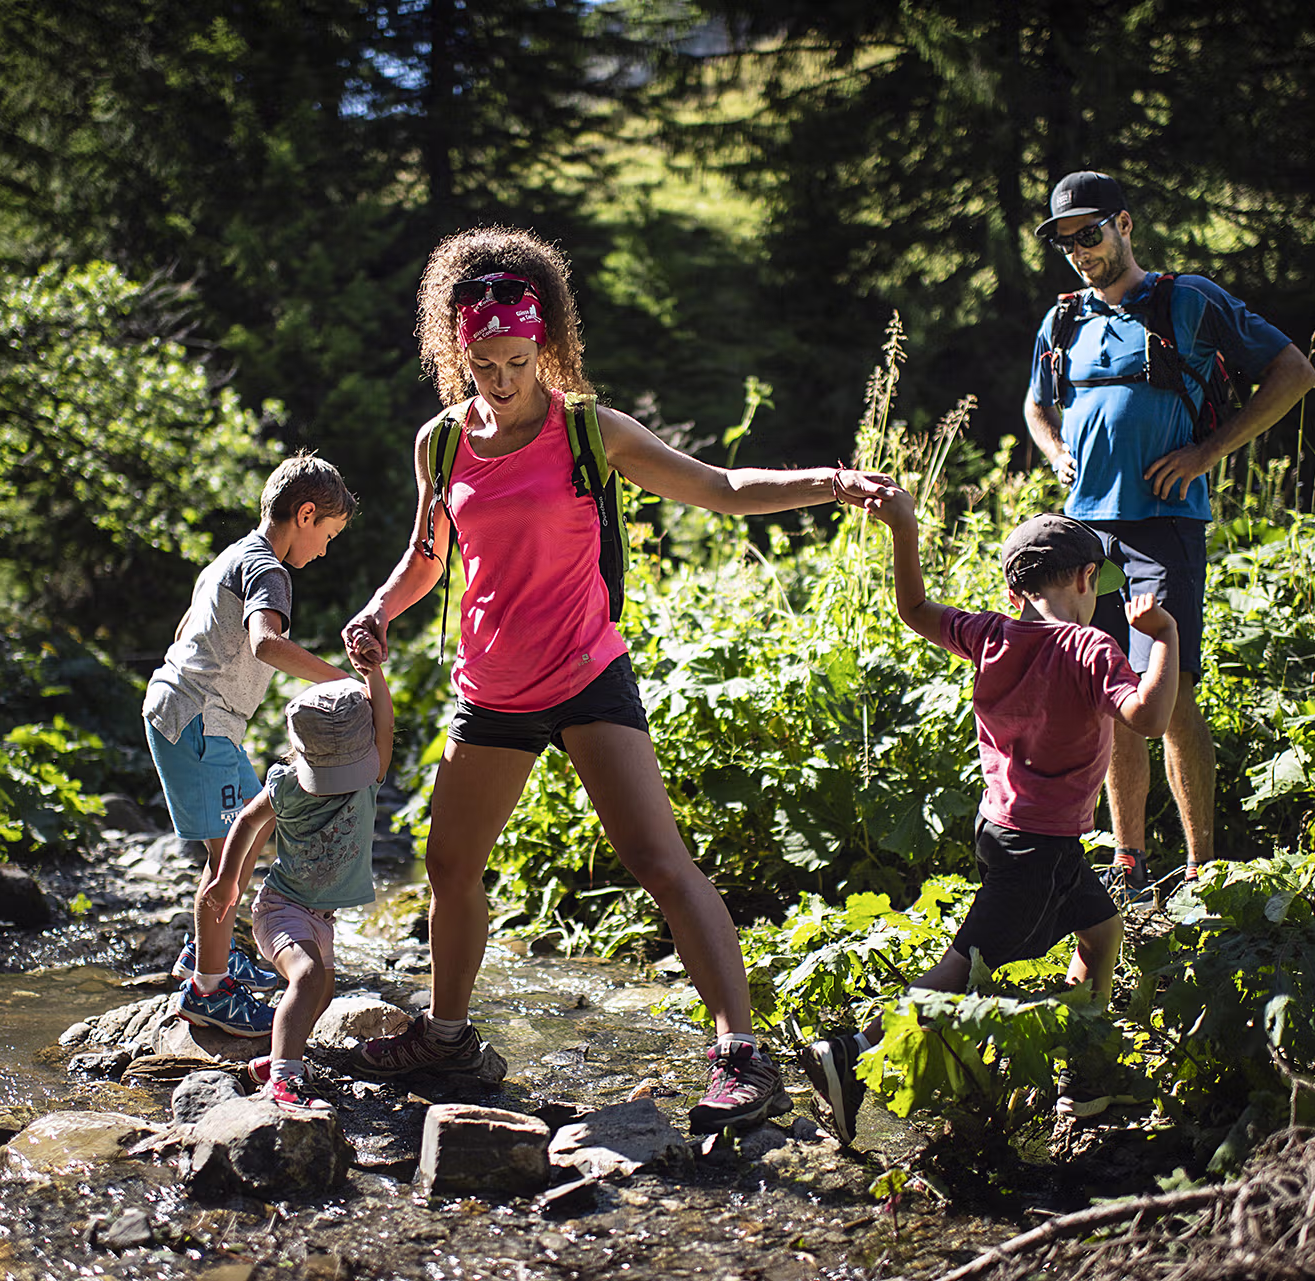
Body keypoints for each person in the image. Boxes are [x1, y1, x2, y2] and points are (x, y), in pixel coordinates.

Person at [339, 225, 897, 1133]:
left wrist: (830, 483)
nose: (502, 379)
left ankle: (740, 1056)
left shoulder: (590, 429)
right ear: (457, 351)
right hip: (492, 686)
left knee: (657, 860)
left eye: (518, 359)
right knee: (448, 864)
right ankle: (447, 1037)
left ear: (543, 345)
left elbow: (722, 487)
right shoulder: (440, 445)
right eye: (484, 363)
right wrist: (379, 607)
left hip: (586, 671)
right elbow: (426, 553)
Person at [801, 498, 1181, 1143]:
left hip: (1004, 830)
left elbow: (915, 610)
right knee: (966, 966)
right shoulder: (1092, 646)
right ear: (1089, 579)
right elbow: (1147, 719)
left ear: (1014, 589)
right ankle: (852, 1053)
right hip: (1039, 845)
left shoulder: (992, 634)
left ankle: (1080, 1073)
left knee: (1101, 930)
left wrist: (905, 531)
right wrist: (1166, 639)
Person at [1023, 170, 1315, 896]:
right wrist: (1056, 450)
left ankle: (1204, 866)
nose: (1080, 251)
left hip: (1165, 527)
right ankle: (1129, 863)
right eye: (1067, 243)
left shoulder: (1189, 300)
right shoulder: (1063, 320)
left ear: (1123, 224)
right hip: (1087, 532)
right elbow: (1036, 406)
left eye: (1089, 234)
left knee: (1173, 692)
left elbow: (1295, 371)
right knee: (1110, 690)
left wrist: (1208, 454)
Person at [143, 452, 360, 1038]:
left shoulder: (232, 555)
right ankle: (207, 991)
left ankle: (202, 954)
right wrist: (344, 681)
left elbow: (186, 630)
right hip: (201, 724)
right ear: (306, 513)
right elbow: (266, 644)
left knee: (244, 837)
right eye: (328, 535)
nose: (324, 550)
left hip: (190, 714)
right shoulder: (271, 572)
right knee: (228, 864)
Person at [211, 667, 395, 1110]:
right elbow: (246, 821)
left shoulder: (370, 774)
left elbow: (385, 722)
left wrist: (373, 674)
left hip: (321, 917)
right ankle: (283, 1079)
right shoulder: (288, 784)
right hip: (281, 907)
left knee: (323, 990)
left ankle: (278, 1055)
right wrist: (227, 879)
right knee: (308, 977)